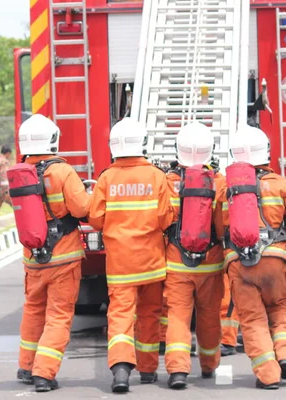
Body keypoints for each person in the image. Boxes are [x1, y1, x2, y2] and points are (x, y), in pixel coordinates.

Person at [88, 117, 174, 393]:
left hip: (121, 266)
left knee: (121, 316)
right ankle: (148, 370)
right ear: (143, 144)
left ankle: (121, 370)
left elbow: (96, 219)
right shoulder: (157, 177)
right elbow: (166, 219)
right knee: (150, 313)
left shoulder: (106, 178)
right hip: (151, 263)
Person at [222, 125, 286, 389]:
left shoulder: (224, 188)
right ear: (266, 152)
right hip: (276, 260)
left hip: (239, 264)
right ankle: (284, 354)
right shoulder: (282, 184)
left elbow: (218, 228)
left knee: (253, 320)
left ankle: (268, 375)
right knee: (282, 307)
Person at [16, 114, 91, 392]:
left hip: (33, 258)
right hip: (63, 258)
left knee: (34, 311)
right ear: (52, 140)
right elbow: (82, 209)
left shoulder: (20, 172)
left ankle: (26, 366)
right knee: (58, 316)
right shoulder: (61, 171)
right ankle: (44, 374)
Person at [164, 121, 225, 389]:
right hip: (210, 264)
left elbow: (161, 219)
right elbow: (222, 224)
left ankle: (178, 370)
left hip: (177, 263)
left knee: (177, 315)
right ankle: (210, 366)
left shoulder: (169, 181)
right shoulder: (219, 181)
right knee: (210, 315)